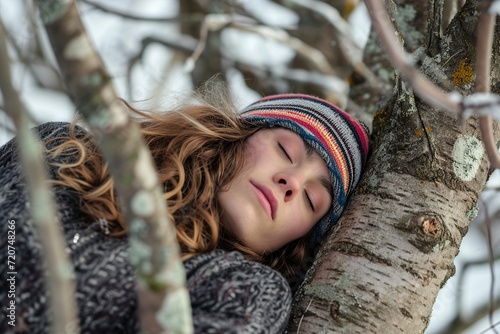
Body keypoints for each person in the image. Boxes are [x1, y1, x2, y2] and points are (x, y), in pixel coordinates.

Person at [0, 92, 369, 333]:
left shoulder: (251, 294)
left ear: (299, 240)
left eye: (311, 201)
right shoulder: (64, 151)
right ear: (235, 134)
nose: (292, 183)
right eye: (286, 151)